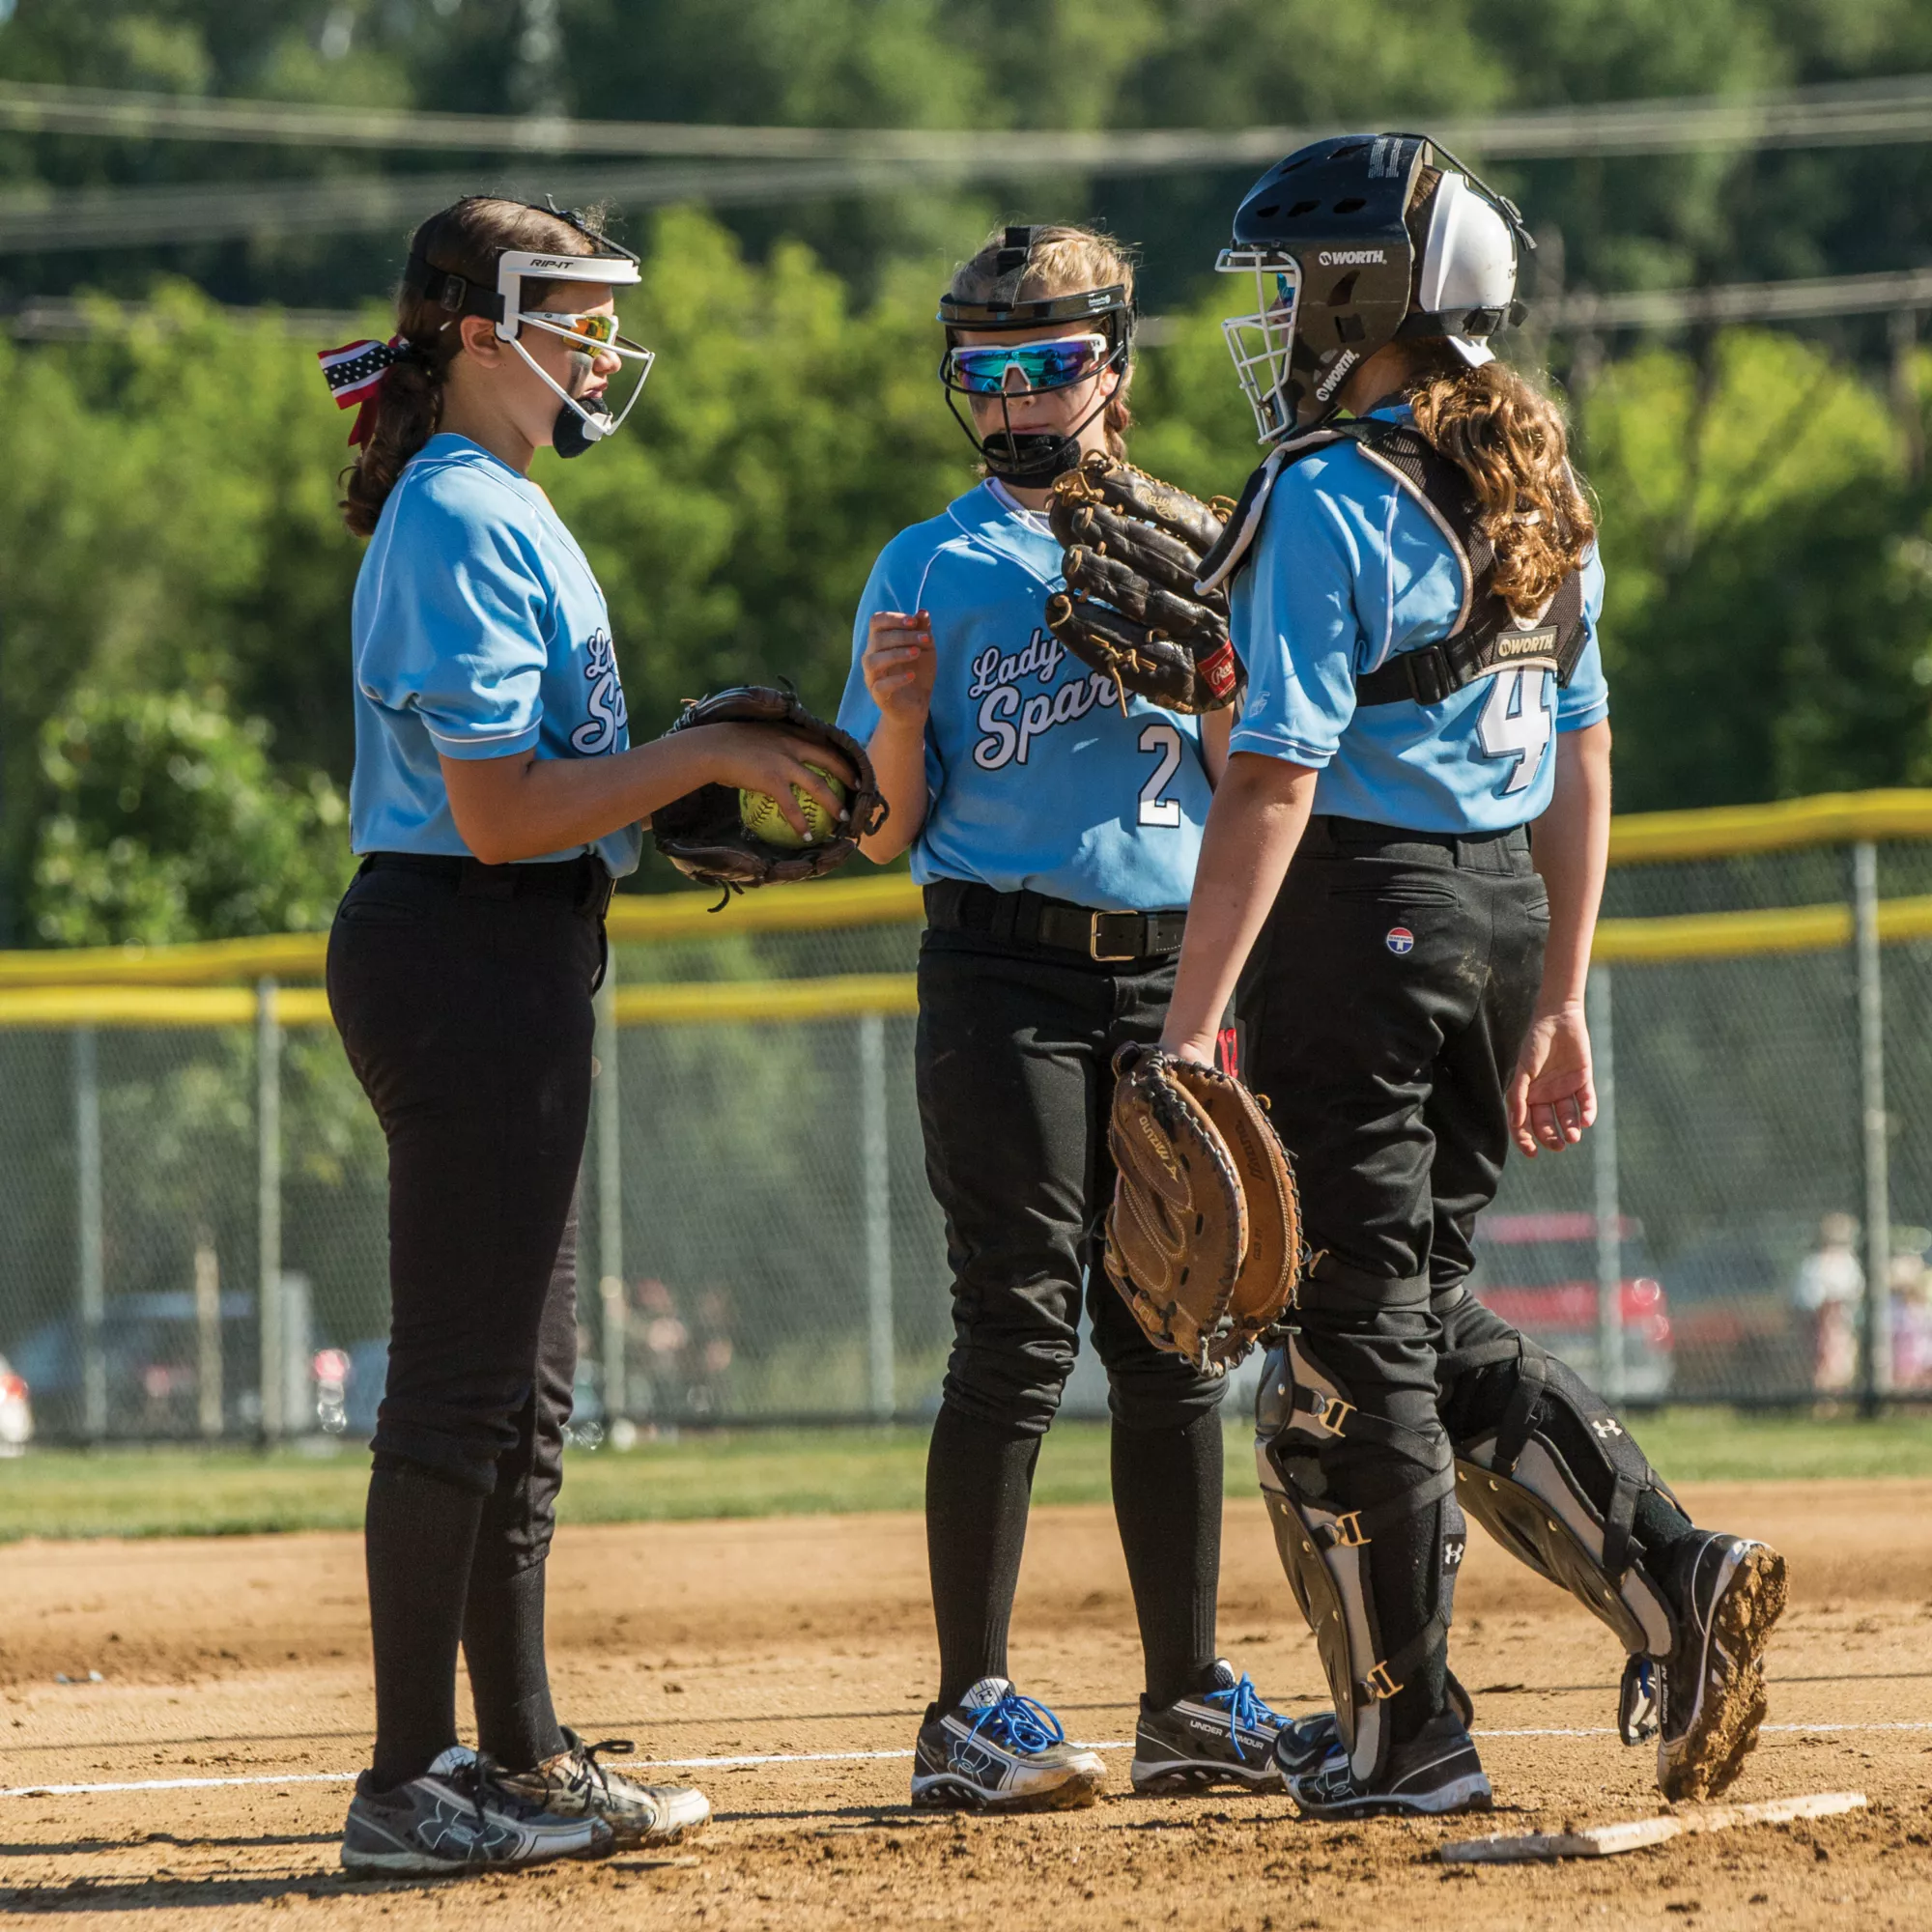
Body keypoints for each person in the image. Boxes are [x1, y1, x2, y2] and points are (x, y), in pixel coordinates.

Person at [1155, 136, 1787, 1820]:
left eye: (1298, 284)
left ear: (1367, 292)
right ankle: (1674, 1577)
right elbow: (1583, 755)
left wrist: (1189, 1026)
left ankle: (1407, 1738)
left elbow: (1275, 778)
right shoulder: (1535, 482)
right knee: (1416, 1311)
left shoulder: (1325, 491)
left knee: (1341, 1347)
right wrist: (1561, 991)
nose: (1282, 315)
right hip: (1496, 915)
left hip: (1360, 922)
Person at [322, 194, 851, 1875]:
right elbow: (492, 816)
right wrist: (703, 764)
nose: (605, 352)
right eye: (578, 320)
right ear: (481, 333)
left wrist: (660, 789)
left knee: (528, 1394)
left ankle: (522, 1755)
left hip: (506, 951)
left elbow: (543, 789)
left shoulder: (504, 498)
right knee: (463, 1388)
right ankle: (406, 1784)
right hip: (462, 946)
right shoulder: (456, 510)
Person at [839, 224, 1288, 1813]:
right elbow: (886, 831)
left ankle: (1186, 1697)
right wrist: (898, 715)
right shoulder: (928, 564)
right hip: (999, 975)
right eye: (985, 370)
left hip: (1166, 974)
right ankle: (967, 1704)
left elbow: (1255, 776)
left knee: (1175, 1332)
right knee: (1018, 1326)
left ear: (1116, 366)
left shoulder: (1205, 543)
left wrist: (1221, 671)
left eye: (1050, 364)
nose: (1016, 398)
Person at [1793, 1211, 1862, 1395]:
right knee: (1824, 1365)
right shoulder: (1814, 1265)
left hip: (1844, 1325)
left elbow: (1855, 1296)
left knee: (1843, 1366)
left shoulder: (1850, 1264)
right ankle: (1821, 1399)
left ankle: (1838, 1399)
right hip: (1818, 1326)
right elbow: (1807, 1301)